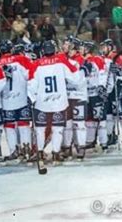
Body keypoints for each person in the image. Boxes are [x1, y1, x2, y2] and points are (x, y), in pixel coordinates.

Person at [28, 40, 84, 170]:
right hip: (59, 102)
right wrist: (79, 70)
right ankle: (55, 154)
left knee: (40, 129)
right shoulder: (61, 61)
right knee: (57, 129)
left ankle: (40, 153)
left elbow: (31, 85)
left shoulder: (36, 64)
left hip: (42, 103)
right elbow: (75, 78)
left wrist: (32, 99)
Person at [0, 40, 33, 162]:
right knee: (23, 124)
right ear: (12, 49)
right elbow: (30, 76)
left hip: (6, 102)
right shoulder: (21, 60)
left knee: (9, 126)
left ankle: (13, 151)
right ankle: (26, 151)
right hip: (22, 99)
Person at [61, 37, 90, 160]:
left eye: (68, 45)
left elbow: (79, 81)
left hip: (79, 97)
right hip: (67, 97)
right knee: (67, 124)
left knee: (79, 124)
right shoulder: (65, 60)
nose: (65, 46)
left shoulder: (82, 61)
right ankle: (67, 148)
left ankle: (81, 147)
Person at [100, 39, 122, 147]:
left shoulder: (117, 57)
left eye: (104, 46)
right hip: (108, 89)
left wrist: (118, 71)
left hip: (117, 87)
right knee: (109, 115)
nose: (102, 49)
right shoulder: (103, 58)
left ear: (109, 47)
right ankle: (110, 135)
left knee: (121, 113)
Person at [81, 40, 109, 151]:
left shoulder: (97, 59)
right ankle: (90, 141)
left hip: (96, 94)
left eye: (83, 48)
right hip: (87, 94)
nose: (81, 49)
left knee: (100, 120)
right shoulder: (83, 61)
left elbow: (103, 73)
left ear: (88, 49)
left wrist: (102, 87)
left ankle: (104, 142)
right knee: (89, 120)